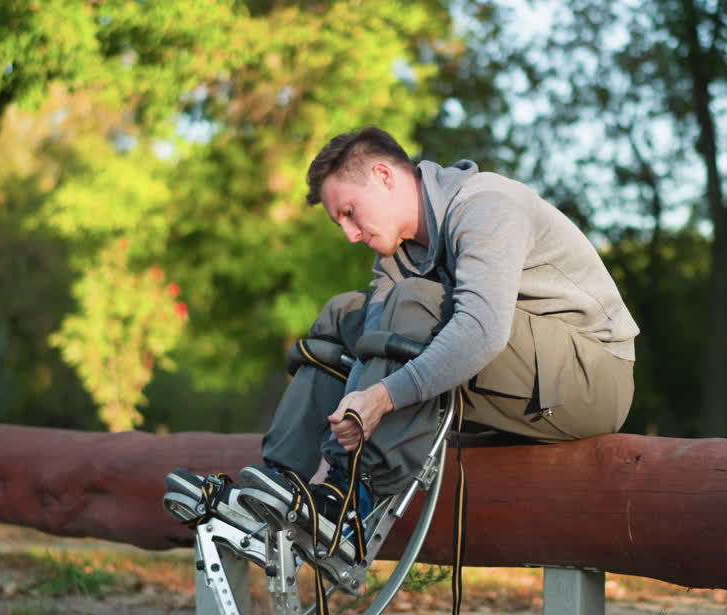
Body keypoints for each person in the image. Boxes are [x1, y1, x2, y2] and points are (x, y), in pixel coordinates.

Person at [173, 126, 639, 550]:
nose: (351, 234)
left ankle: (353, 500)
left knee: (416, 303)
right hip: (522, 378)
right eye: (341, 224)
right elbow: (369, 350)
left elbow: (482, 330)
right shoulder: (400, 254)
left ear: (383, 175)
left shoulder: (486, 205)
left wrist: (384, 398)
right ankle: (281, 486)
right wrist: (342, 429)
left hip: (592, 378)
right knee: (345, 313)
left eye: (351, 213)